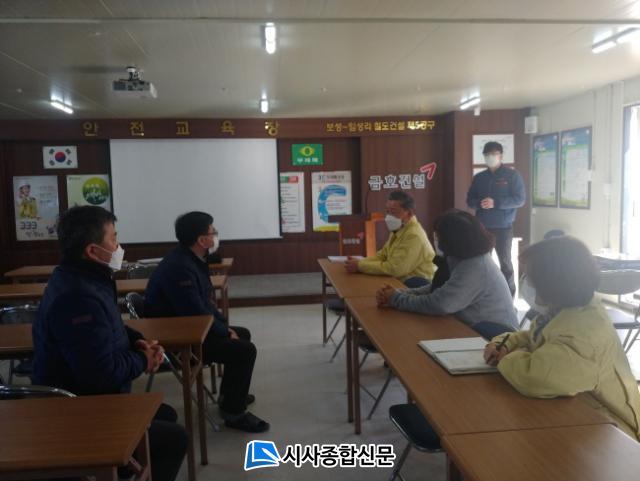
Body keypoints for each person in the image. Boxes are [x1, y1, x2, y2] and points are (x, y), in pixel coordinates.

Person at [32, 206, 187, 481]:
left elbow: (109, 325)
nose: (119, 247)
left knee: (164, 415)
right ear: (93, 251)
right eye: (114, 239)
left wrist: (139, 342)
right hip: (77, 410)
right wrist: (144, 360)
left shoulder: (84, 279)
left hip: (92, 398)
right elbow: (101, 374)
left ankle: (123, 469)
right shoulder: (78, 296)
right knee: (174, 439)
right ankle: (117, 466)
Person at [485, 236, 640, 441]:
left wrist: (507, 357)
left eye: (531, 279)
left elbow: (534, 377)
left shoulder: (583, 335)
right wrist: (505, 344)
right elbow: (533, 337)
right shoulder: (568, 307)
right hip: (578, 415)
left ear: (553, 284)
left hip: (612, 432)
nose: (527, 283)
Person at [144, 211, 269, 433]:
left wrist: (224, 327)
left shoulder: (192, 259)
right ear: (202, 240)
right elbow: (194, 311)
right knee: (244, 350)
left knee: (242, 334)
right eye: (213, 232)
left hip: (189, 326)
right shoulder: (180, 267)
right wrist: (223, 331)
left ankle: (230, 396)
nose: (216, 235)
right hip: (179, 338)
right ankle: (234, 413)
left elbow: (204, 303)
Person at [376, 210, 517, 339]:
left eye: (439, 236)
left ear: (453, 240)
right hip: (467, 328)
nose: (436, 240)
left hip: (492, 339)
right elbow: (441, 290)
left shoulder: (475, 267)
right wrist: (399, 293)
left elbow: (440, 304)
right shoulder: (463, 257)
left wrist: (396, 299)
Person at [466, 141, 525, 296]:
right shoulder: (479, 178)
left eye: (494, 154)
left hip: (503, 227)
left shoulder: (512, 175)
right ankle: (483, 296)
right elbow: (470, 200)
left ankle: (509, 298)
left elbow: (520, 199)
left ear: (501, 156)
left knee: (505, 263)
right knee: (482, 262)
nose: (490, 157)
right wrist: (480, 203)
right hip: (482, 227)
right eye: (487, 155)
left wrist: (496, 203)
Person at [345, 190, 436, 288]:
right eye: (387, 211)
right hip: (399, 282)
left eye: (393, 212)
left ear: (409, 213)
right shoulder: (399, 228)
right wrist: (361, 262)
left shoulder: (414, 236)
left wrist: (360, 266)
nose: (388, 216)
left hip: (416, 287)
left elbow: (394, 269)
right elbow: (382, 255)